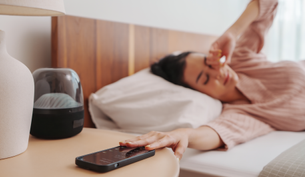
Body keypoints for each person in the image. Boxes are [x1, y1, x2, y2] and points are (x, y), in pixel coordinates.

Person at [120, 0, 305, 160]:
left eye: (210, 64)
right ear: (200, 93)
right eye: (205, 79)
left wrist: (232, 33)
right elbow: (214, 133)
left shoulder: (241, 59)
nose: (217, 73)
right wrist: (182, 133)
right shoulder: (242, 114)